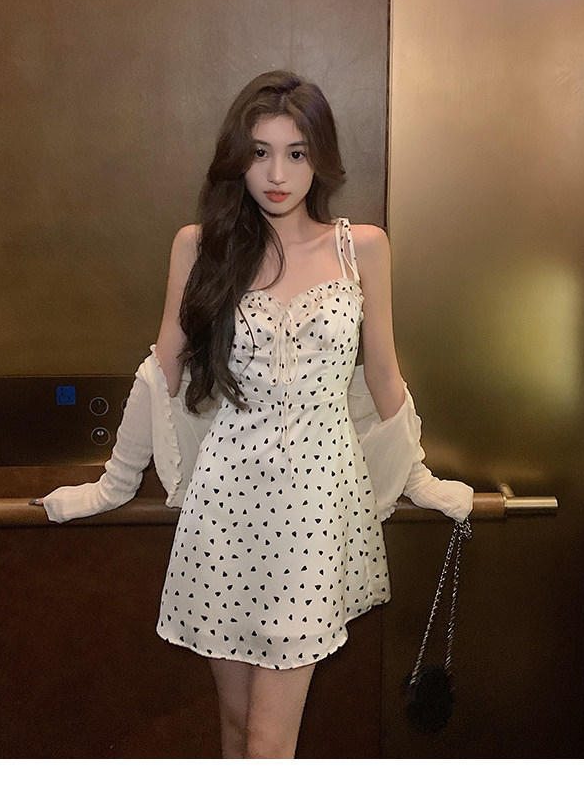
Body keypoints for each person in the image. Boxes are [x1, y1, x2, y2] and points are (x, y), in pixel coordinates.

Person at [33, 71, 473, 758]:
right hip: (226, 503)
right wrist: (113, 485)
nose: (276, 174)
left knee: (268, 744)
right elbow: (163, 370)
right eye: (260, 152)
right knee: (237, 730)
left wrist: (418, 478)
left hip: (316, 508)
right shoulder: (200, 246)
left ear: (320, 159)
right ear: (237, 158)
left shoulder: (362, 247)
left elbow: (382, 375)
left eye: (296, 153)